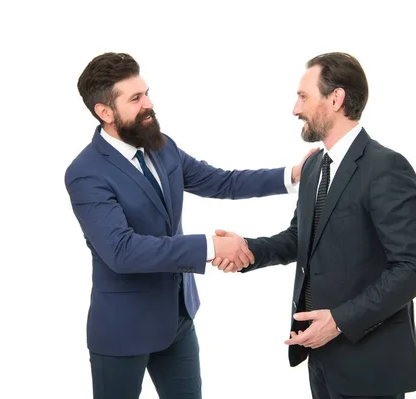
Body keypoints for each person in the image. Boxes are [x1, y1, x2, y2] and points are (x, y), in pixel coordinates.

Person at [64, 52, 316, 399]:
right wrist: (210, 247)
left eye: (147, 92)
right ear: (104, 112)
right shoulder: (86, 173)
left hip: (177, 318)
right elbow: (121, 251)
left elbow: (221, 182)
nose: (149, 104)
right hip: (122, 330)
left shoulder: (161, 147)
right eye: (135, 98)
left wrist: (291, 176)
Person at [212, 52, 416, 399]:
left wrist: (340, 321)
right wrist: (247, 250)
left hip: (370, 364)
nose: (295, 109)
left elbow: (413, 268)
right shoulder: (315, 167)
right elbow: (301, 238)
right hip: (321, 358)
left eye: (303, 97)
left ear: (335, 98)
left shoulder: (386, 167)